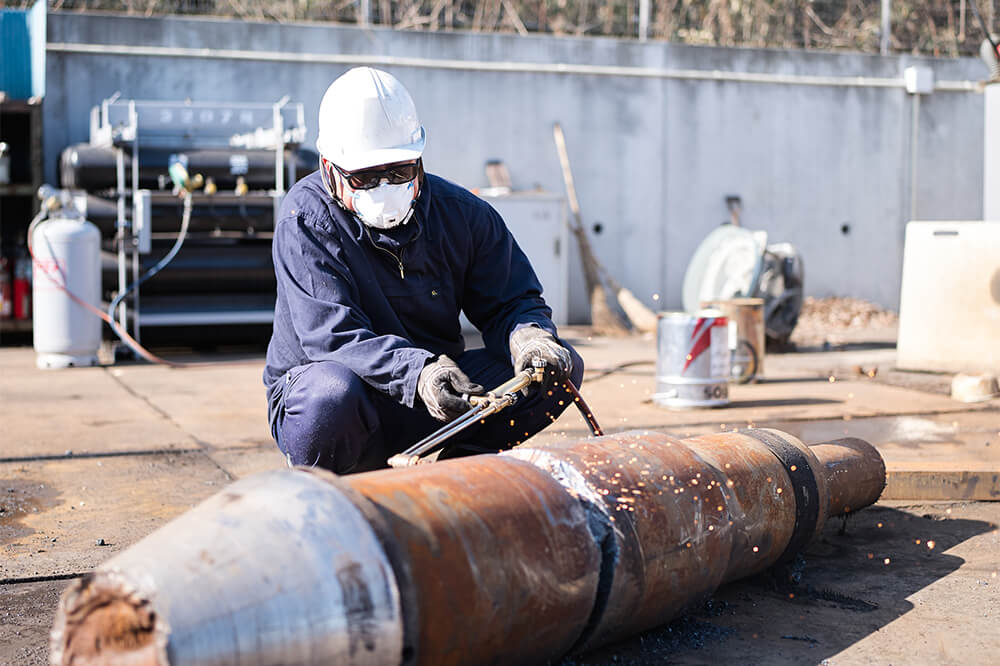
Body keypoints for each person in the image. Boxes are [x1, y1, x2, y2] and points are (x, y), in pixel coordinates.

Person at [263, 67, 584, 474]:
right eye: (365, 177)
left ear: (419, 157)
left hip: (438, 392)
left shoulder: (463, 216)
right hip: (340, 404)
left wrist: (528, 336)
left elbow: (512, 301)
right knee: (331, 393)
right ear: (330, 168)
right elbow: (332, 336)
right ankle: (329, 490)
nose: (385, 188)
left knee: (557, 369)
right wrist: (417, 372)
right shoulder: (305, 220)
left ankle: (457, 477)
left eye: (399, 171)